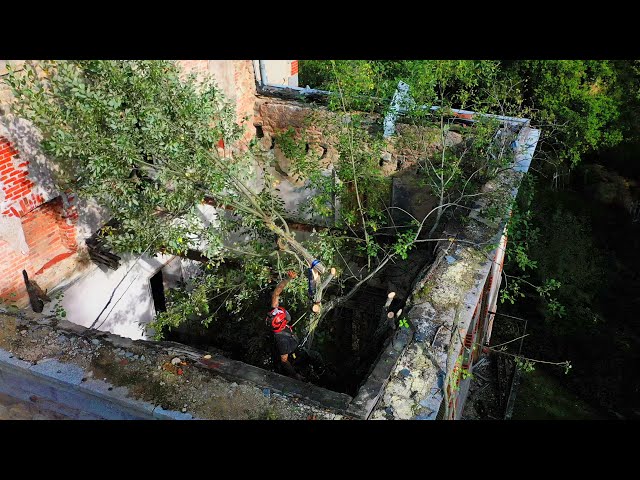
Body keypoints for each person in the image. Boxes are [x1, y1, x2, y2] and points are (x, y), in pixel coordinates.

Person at [266, 270, 304, 380]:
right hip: (293, 354)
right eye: (285, 315)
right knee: (314, 357)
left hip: (292, 343)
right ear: (283, 323)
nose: (285, 313)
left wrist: (288, 278)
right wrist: (295, 375)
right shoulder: (281, 340)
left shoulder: (274, 313)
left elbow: (276, 293)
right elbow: (284, 361)